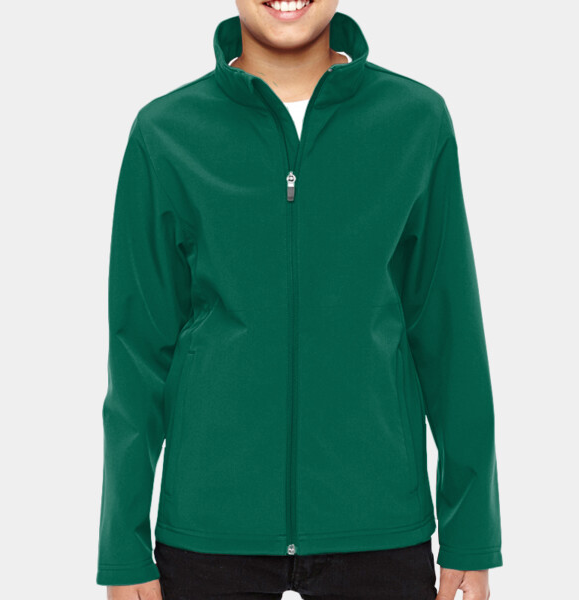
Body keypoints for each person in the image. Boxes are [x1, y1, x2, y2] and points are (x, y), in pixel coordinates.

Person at [96, 1, 503, 599]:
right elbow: (137, 354)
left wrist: (471, 531)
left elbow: (450, 336)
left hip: (378, 525)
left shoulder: (416, 120)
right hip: (210, 530)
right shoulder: (165, 132)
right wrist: (122, 546)